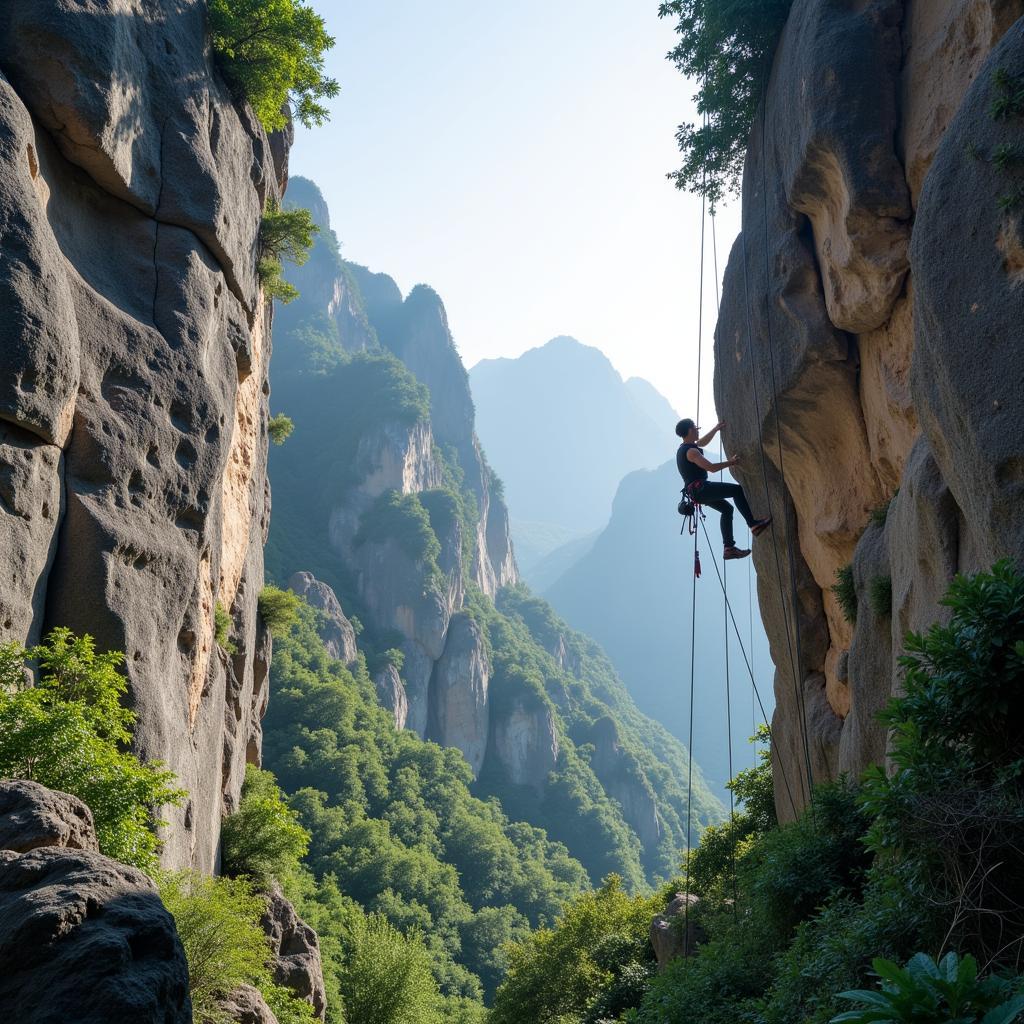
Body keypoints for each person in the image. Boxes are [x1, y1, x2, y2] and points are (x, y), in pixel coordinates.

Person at [676, 418, 771, 560]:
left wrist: (715, 429)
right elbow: (712, 468)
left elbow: (701, 442)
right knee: (736, 490)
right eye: (696, 428)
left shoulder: (684, 448)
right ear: (690, 430)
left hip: (696, 493)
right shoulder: (691, 452)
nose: (697, 430)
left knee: (727, 509)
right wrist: (731, 462)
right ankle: (753, 524)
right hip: (701, 489)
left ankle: (729, 548)